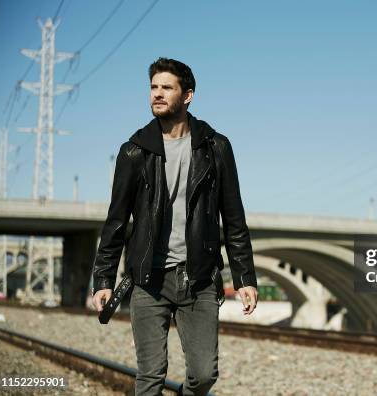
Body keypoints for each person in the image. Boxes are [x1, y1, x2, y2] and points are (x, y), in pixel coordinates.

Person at [90, 57, 258, 396]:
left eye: (167, 87)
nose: (157, 94)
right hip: (148, 279)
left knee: (204, 374)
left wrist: (244, 277)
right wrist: (103, 279)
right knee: (150, 376)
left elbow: (234, 218)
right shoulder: (134, 152)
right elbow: (116, 220)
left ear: (188, 95)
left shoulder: (216, 148)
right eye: (153, 87)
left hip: (199, 278)